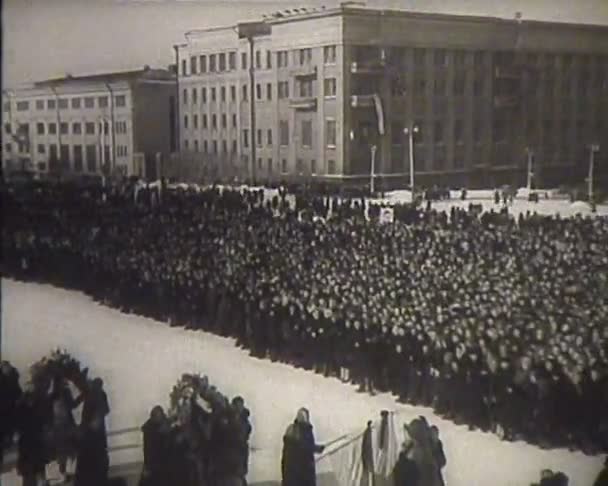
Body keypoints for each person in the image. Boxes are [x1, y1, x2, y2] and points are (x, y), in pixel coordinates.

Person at [281, 408, 325, 486]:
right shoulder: (305, 430)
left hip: (290, 472)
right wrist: (317, 448)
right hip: (303, 472)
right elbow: (304, 447)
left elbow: (303, 446)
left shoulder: (291, 429)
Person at [140, 406, 171, 486]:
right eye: (159, 417)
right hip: (156, 463)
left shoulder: (150, 428)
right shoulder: (150, 431)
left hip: (159, 462)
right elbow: (148, 450)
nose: (162, 418)